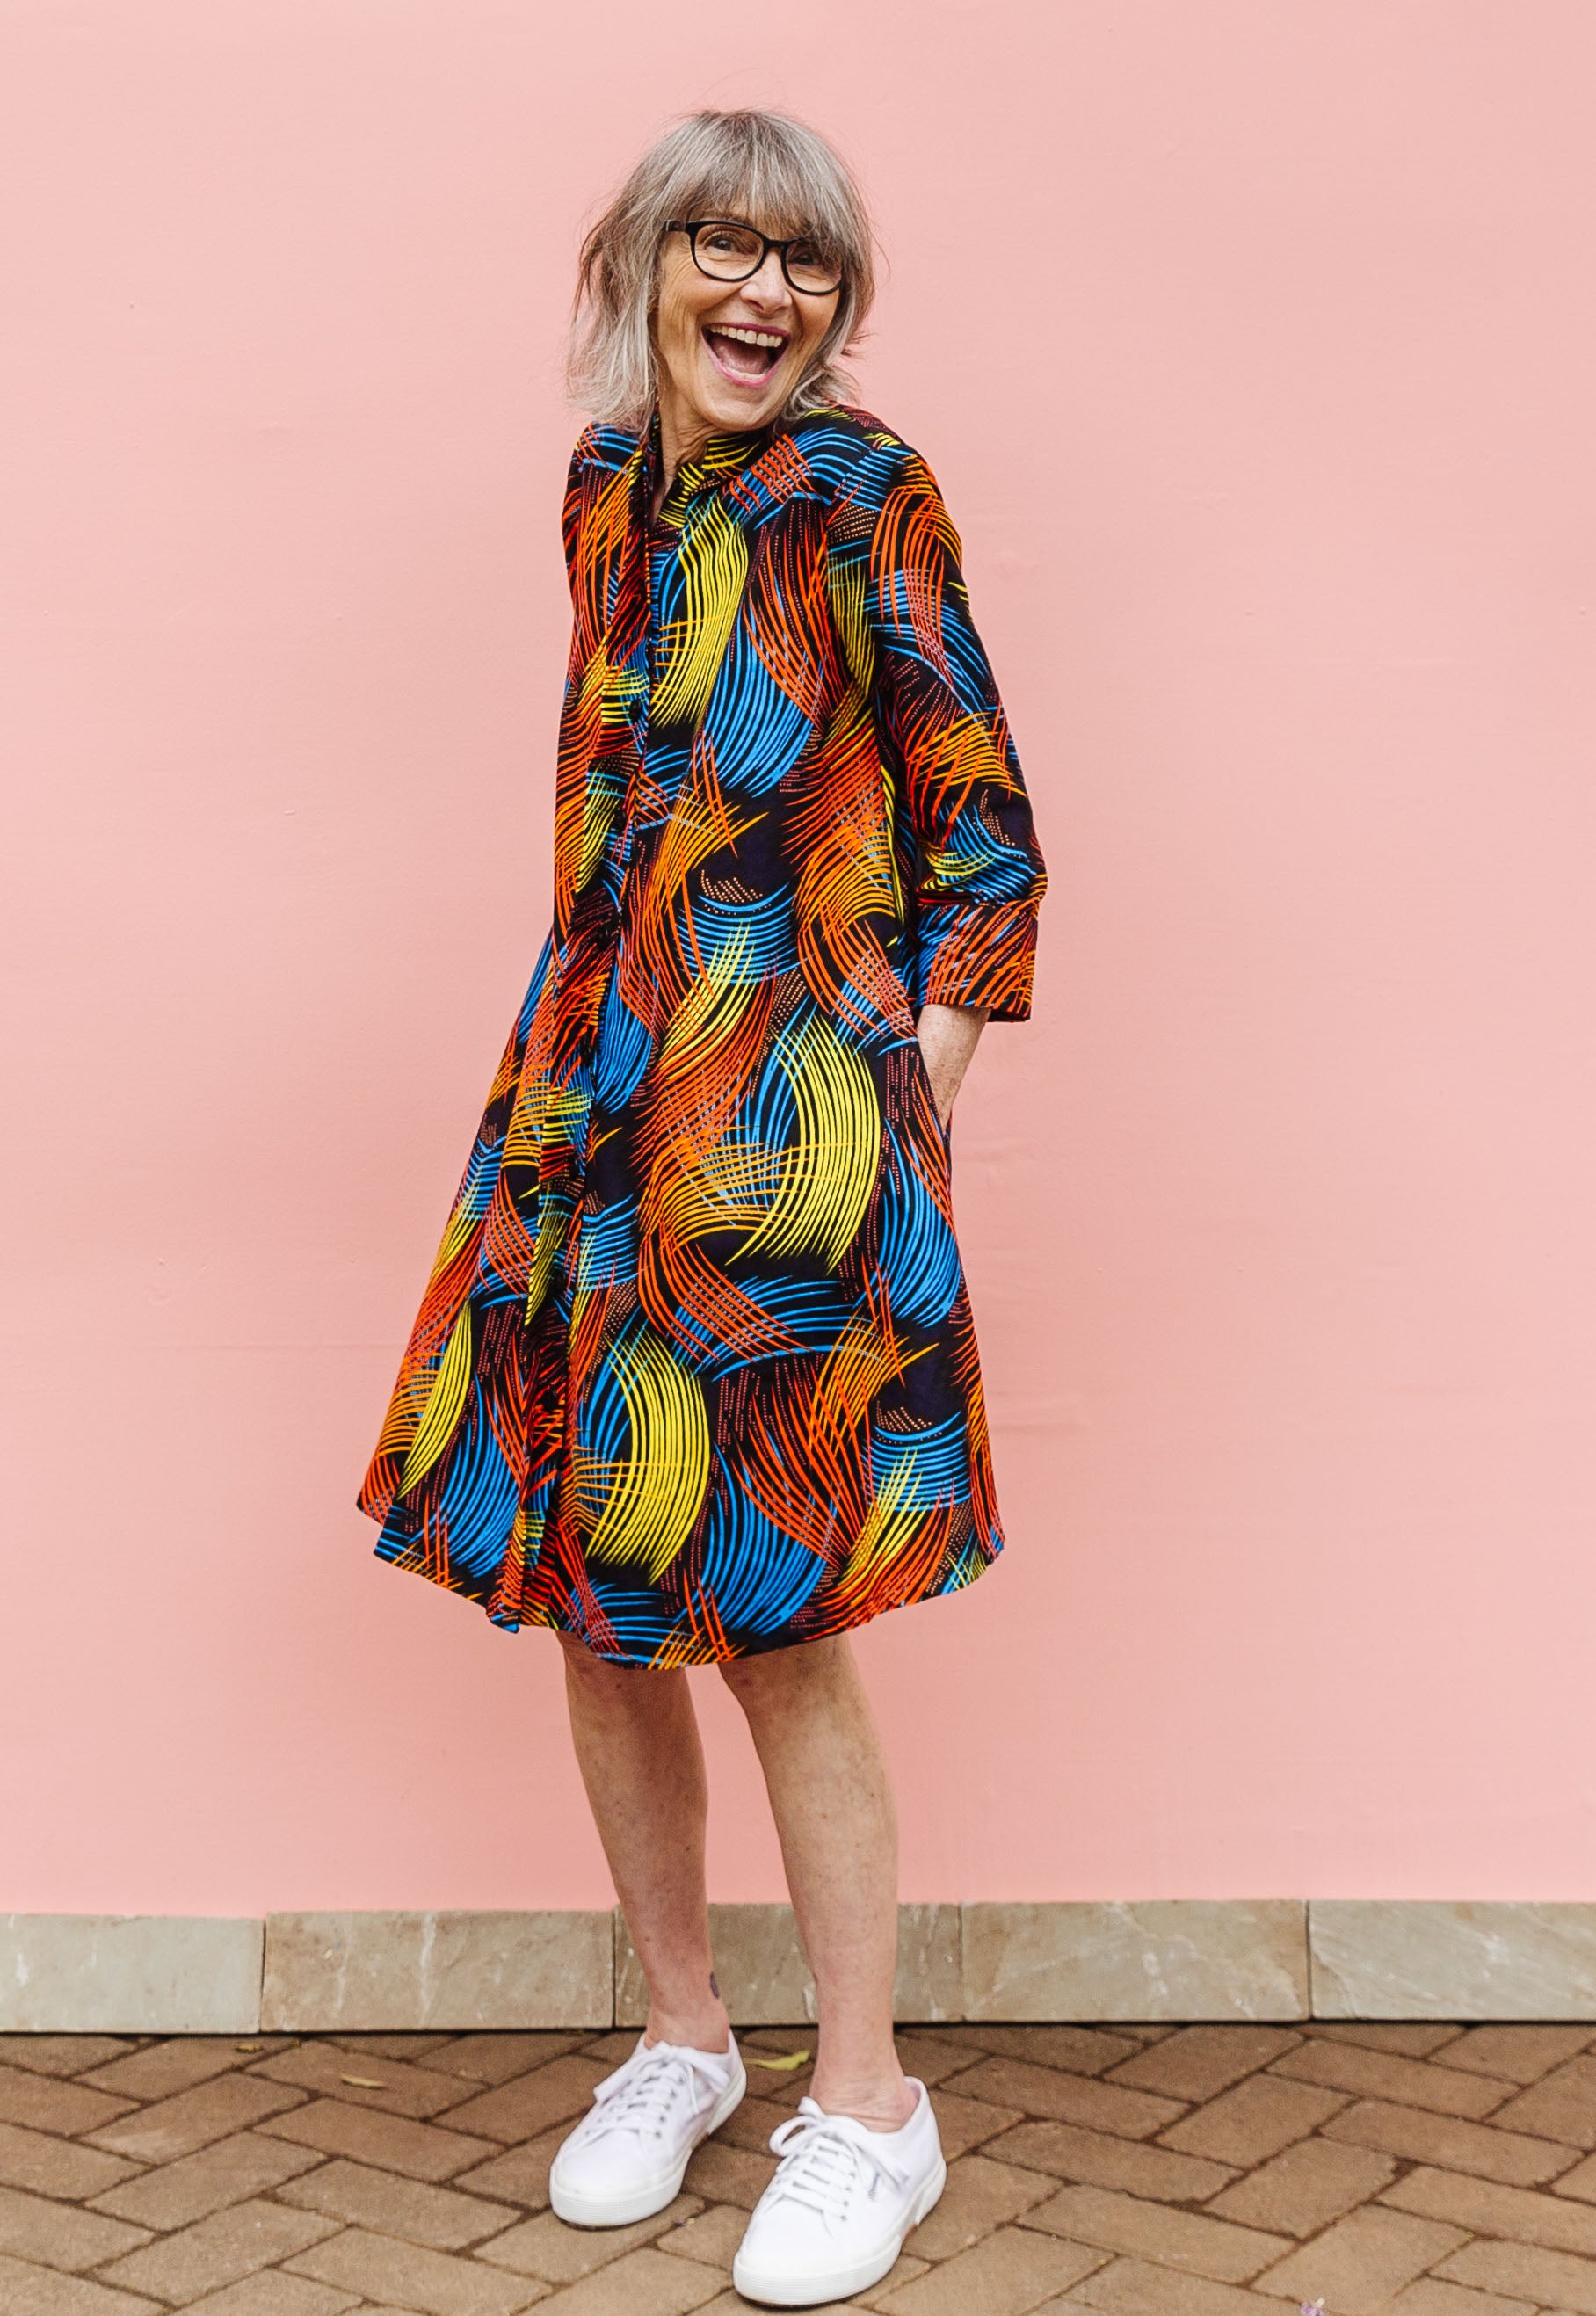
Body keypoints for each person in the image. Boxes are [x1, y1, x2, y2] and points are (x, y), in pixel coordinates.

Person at [358, 105, 1047, 2307]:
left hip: (782, 1132)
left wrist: (896, 1105)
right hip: (581, 1095)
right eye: (721, 250)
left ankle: (868, 2104)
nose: (763, 295)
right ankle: (678, 2032)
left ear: (840, 308)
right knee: (587, 1590)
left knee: (778, 1621)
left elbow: (983, 830)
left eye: (806, 267)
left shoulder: (862, 491)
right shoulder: (598, 490)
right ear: (637, 265)